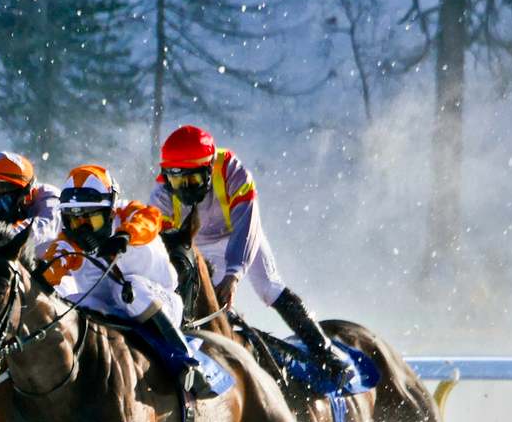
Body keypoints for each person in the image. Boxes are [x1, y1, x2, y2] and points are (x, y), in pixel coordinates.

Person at [148, 124, 354, 382]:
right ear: (166, 176)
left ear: (209, 168)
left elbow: (247, 224)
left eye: (194, 180)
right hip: (198, 246)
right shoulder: (160, 196)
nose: (185, 188)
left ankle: (327, 354)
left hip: (240, 234)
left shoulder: (233, 171)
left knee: (269, 287)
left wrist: (233, 274)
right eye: (177, 180)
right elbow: (161, 247)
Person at [43, 164, 211, 395]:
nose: (83, 230)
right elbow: (50, 267)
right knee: (69, 302)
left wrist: (125, 235)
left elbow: (150, 218)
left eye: (91, 220)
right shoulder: (67, 242)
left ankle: (187, 362)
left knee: (131, 290)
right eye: (74, 221)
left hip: (160, 303)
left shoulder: (130, 214)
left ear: (110, 211)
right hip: (110, 312)